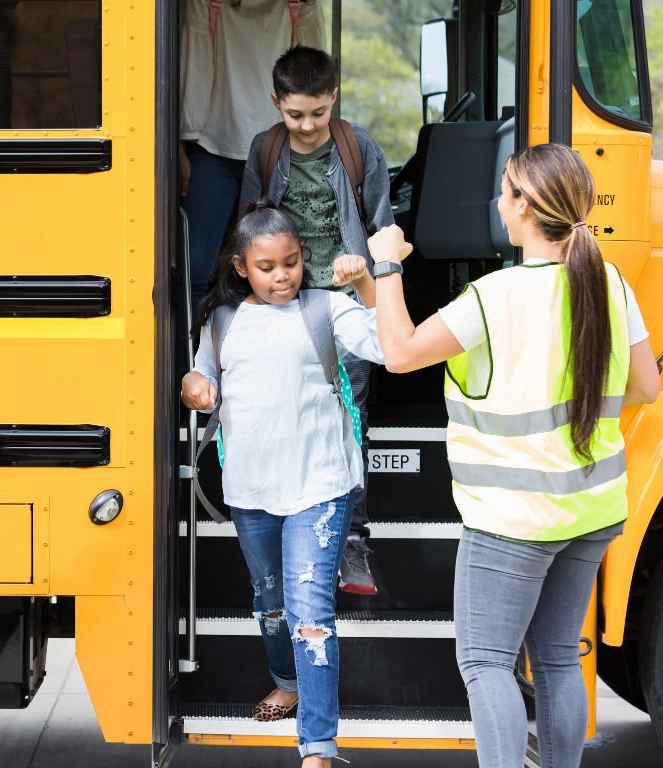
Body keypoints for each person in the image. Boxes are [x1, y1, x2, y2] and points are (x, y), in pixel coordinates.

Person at [366, 143, 661, 768]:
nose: (499, 203)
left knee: (485, 663)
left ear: (525, 206)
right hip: (590, 507)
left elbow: (398, 353)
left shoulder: (491, 297)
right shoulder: (609, 283)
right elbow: (645, 387)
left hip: (513, 520)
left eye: (505, 191)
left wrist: (386, 266)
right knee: (555, 656)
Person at [181, 202, 382, 767]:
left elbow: (388, 346)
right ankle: (286, 681)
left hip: (321, 487)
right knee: (270, 605)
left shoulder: (327, 308)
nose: (282, 276)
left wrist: (369, 280)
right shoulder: (221, 320)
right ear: (242, 267)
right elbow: (202, 375)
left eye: (291, 262)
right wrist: (192, 384)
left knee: (310, 613)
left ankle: (318, 746)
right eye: (267, 266)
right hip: (250, 489)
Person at [237, 44, 394, 596]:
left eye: (318, 113)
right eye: (294, 114)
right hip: (286, 302)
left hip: (344, 301)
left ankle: (351, 543)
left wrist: (371, 276)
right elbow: (250, 228)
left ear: (334, 98)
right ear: (276, 102)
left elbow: (382, 230)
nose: (306, 126)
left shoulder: (358, 149)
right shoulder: (266, 149)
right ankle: (290, 526)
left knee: (348, 421)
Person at [180, 0, 325, 304]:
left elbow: (313, 77)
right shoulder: (206, 6)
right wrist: (182, 145)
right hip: (215, 146)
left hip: (273, 151)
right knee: (199, 268)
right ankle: (193, 350)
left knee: (271, 266)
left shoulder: (299, 6)